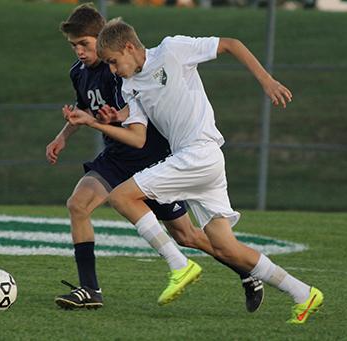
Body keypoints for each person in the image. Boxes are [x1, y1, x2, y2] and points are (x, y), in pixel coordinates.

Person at [64, 18, 324, 324]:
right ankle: (303, 293)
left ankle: (179, 265)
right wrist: (102, 120)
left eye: (113, 62)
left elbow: (231, 44)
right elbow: (137, 136)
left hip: (199, 152)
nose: (112, 70)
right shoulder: (132, 83)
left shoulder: (172, 50)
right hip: (201, 162)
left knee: (122, 197)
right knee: (226, 248)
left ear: (130, 47)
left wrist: (267, 81)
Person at [47, 4, 264, 311]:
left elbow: (135, 119)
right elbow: (84, 109)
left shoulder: (122, 70)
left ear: (104, 37)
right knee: (77, 204)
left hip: (151, 158)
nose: (80, 52)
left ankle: (245, 269)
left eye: (85, 44)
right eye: (74, 46)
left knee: (186, 235)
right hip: (116, 157)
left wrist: (112, 119)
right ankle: (90, 289)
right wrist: (62, 136)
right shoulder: (80, 73)